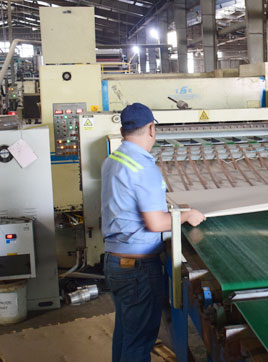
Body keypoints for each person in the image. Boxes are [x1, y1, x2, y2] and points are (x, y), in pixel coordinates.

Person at [101, 103, 205, 362]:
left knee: (126, 333)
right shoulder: (143, 166)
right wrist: (187, 215)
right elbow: (156, 223)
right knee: (139, 341)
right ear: (151, 129)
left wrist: (172, 210)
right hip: (138, 269)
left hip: (116, 263)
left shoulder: (113, 160)